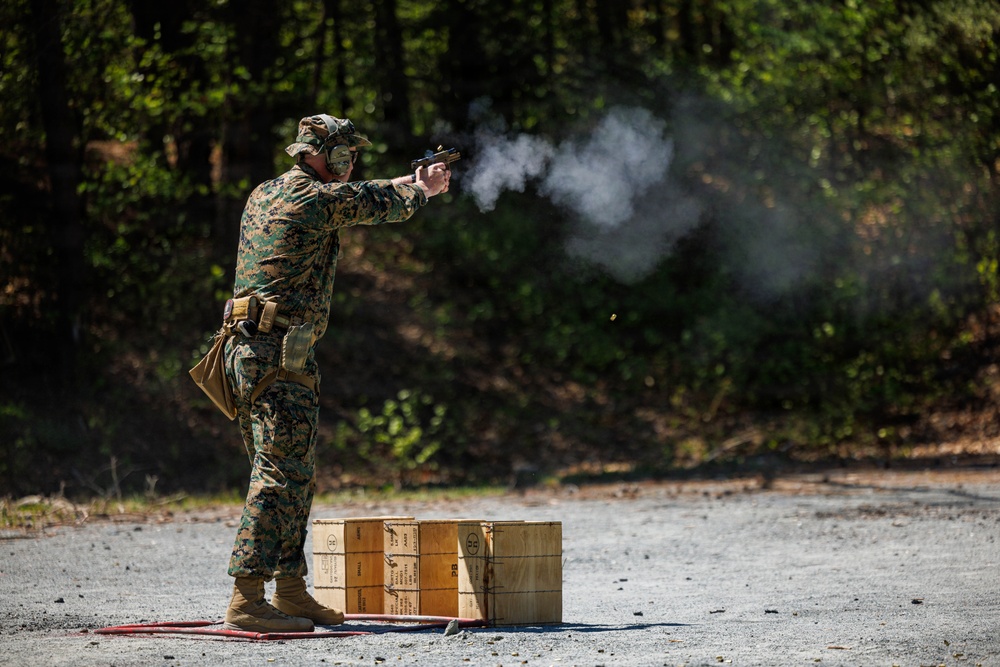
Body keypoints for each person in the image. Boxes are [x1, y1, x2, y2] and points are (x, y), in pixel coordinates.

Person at [220, 114, 451, 632]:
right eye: (349, 154)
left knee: (293, 475)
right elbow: (372, 204)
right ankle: (246, 596)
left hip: (259, 352)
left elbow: (362, 194)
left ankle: (290, 590)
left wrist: (403, 181)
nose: (354, 163)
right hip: (276, 356)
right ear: (332, 155)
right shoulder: (314, 200)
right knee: (279, 477)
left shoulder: (270, 191)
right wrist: (423, 190)